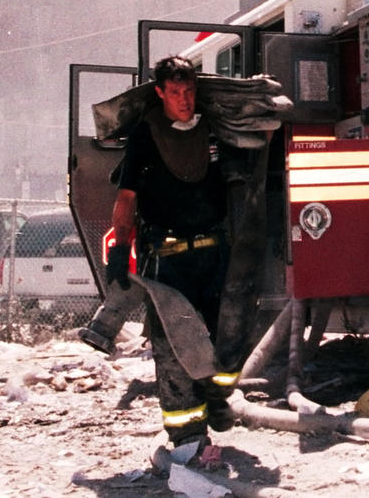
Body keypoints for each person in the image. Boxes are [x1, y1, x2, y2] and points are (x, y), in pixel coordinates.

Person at [107, 55, 236, 453]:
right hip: (167, 260)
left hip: (212, 255)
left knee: (221, 340)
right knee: (174, 349)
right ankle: (187, 436)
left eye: (190, 91)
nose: (184, 100)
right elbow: (126, 198)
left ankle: (216, 399)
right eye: (176, 92)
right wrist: (121, 248)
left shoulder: (213, 130)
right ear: (160, 92)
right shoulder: (147, 137)